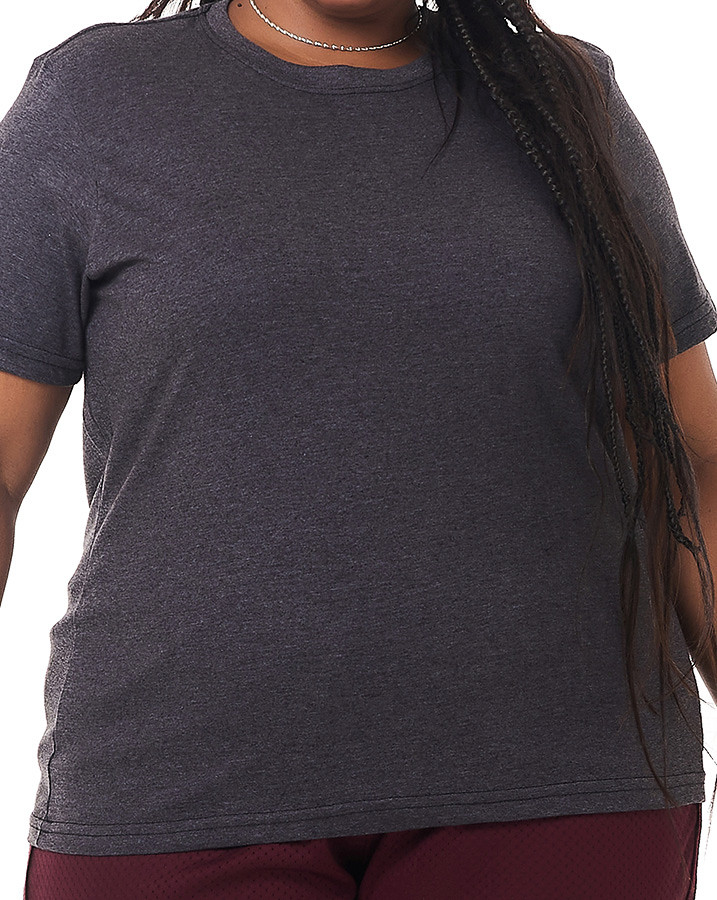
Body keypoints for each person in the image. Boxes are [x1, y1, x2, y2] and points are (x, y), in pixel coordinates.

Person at [0, 0, 715, 897]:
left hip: (567, 788)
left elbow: (692, 459)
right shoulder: (96, 99)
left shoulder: (566, 99)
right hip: (176, 791)